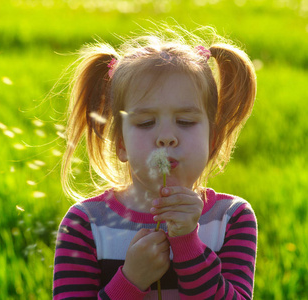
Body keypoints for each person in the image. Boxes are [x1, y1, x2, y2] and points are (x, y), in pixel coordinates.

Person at [53, 24, 258, 299]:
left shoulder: (230, 219)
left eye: (185, 122)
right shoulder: (86, 224)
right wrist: (131, 280)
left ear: (212, 140)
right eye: (146, 122)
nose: (166, 138)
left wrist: (187, 243)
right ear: (121, 144)